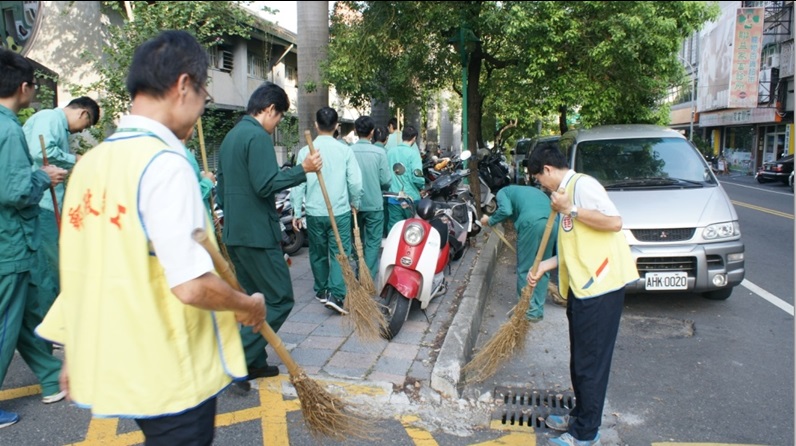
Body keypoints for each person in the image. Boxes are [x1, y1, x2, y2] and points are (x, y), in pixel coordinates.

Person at [35, 31, 266, 445]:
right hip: (167, 368)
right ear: (183, 86)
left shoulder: (91, 164)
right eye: (203, 96)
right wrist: (245, 305)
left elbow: (80, 267)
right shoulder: (165, 164)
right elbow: (192, 286)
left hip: (115, 357)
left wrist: (73, 349)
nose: (199, 111)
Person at [525, 144, 638, 446]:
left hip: (601, 288)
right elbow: (575, 246)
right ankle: (580, 415)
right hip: (582, 288)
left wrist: (570, 209)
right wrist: (544, 267)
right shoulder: (564, 195)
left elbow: (614, 222)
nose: (540, 185)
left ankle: (586, 434)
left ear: (547, 170)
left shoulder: (583, 187)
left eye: (539, 179)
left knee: (591, 363)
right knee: (580, 360)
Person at [216, 82, 322, 387]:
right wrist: (304, 169)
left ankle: (255, 362)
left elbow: (222, 195)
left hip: (235, 233)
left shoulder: (230, 138)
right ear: (270, 109)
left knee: (254, 302)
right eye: (278, 118)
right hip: (258, 235)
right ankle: (238, 356)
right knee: (279, 299)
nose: (276, 126)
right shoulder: (256, 136)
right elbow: (266, 184)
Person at [0, 48, 69, 428]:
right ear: (24, 87)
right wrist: (44, 176)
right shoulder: (8, 127)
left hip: (11, 241)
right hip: (11, 241)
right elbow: (14, 191)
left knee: (24, 317)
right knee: (6, 322)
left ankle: (48, 377)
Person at [23, 96, 100, 325]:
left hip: (48, 203)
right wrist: (75, 158)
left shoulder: (56, 124)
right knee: (50, 267)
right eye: (85, 126)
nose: (79, 131)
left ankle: (51, 321)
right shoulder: (50, 118)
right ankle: (51, 322)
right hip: (42, 204)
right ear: (83, 114)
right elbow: (40, 151)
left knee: (52, 265)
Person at [291, 107, 362, 315]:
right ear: (337, 126)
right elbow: (355, 182)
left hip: (314, 211)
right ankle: (337, 293)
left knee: (317, 252)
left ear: (316, 125)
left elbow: (297, 184)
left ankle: (322, 290)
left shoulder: (306, 152)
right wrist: (355, 201)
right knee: (340, 252)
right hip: (339, 211)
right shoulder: (345, 150)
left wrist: (297, 211)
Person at [479, 185, 558, 322]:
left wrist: (489, 220)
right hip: (553, 224)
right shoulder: (526, 191)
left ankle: (527, 311)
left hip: (531, 223)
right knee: (543, 267)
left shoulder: (502, 192)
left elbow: (506, 210)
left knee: (525, 268)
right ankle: (537, 310)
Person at [350, 116, 391, 280]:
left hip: (353, 205)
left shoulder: (348, 151)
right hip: (374, 204)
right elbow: (386, 181)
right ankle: (367, 275)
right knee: (373, 242)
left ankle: (360, 269)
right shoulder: (380, 152)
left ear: (355, 131)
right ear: (372, 132)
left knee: (356, 240)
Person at [386, 126, 424, 233]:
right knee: (410, 229)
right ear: (414, 138)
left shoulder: (390, 152)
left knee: (394, 230)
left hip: (393, 197)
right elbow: (417, 177)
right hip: (411, 198)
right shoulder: (413, 154)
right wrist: (422, 187)